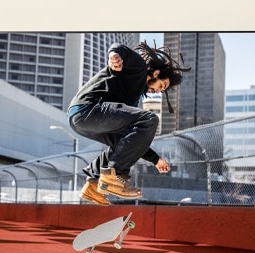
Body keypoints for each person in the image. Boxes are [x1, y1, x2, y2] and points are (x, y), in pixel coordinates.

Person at [68, 40, 190, 205]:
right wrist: (114, 57)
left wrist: (155, 159)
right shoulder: (139, 68)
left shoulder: (132, 96)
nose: (159, 91)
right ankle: (113, 175)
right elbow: (119, 48)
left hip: (82, 120)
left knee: (121, 142)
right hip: (88, 109)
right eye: (162, 85)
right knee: (150, 118)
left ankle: (92, 185)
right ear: (156, 73)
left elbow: (133, 141)